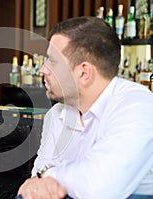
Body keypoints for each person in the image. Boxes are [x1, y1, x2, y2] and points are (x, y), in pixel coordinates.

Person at [17, 16, 153, 199]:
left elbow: (101, 186)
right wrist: (45, 179)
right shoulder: (56, 114)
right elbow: (37, 184)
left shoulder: (138, 105)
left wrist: (51, 175)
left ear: (84, 73)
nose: (43, 70)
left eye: (52, 61)